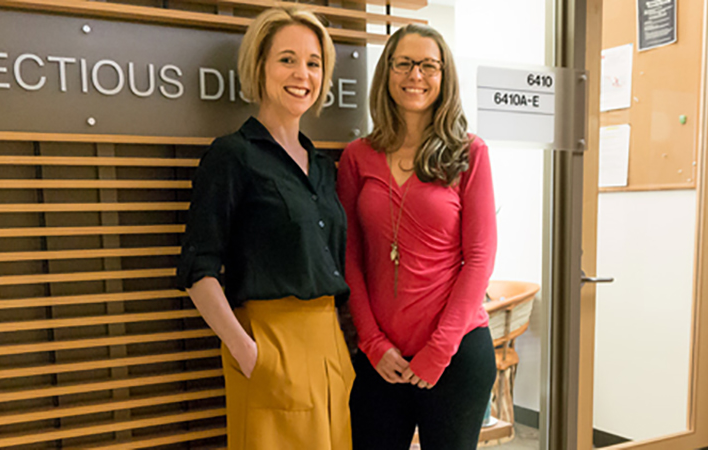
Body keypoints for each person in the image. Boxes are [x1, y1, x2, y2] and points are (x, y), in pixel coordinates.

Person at [174, 7, 353, 450]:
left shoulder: (324, 168)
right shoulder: (232, 156)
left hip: (330, 344)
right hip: (269, 340)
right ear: (260, 67)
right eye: (287, 59)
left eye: (314, 63)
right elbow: (198, 268)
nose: (302, 74)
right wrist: (247, 351)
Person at [338, 24, 498, 450]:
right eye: (405, 64)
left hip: (456, 355)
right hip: (379, 359)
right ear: (387, 72)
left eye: (429, 65)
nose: (416, 76)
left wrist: (439, 350)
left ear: (444, 77)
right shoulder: (357, 157)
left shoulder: (469, 152)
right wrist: (371, 343)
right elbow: (349, 255)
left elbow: (480, 257)